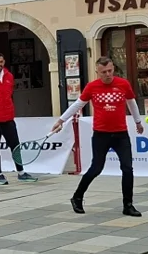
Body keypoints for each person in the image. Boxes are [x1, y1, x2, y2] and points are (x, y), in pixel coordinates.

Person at [52, 56, 143, 217]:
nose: (107, 74)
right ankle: (77, 197)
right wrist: (61, 121)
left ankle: (128, 205)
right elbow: (78, 105)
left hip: (121, 134)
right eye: (103, 72)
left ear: (113, 69)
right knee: (96, 168)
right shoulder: (92, 87)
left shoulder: (123, 84)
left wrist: (138, 122)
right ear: (97, 72)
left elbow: (132, 103)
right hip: (101, 134)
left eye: (110, 70)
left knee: (127, 168)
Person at [0, 53, 37, 185]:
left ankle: (21, 172)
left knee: (15, 146)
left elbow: (10, 94)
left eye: (1, 62)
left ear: (4, 62)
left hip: (8, 118)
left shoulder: (9, 76)